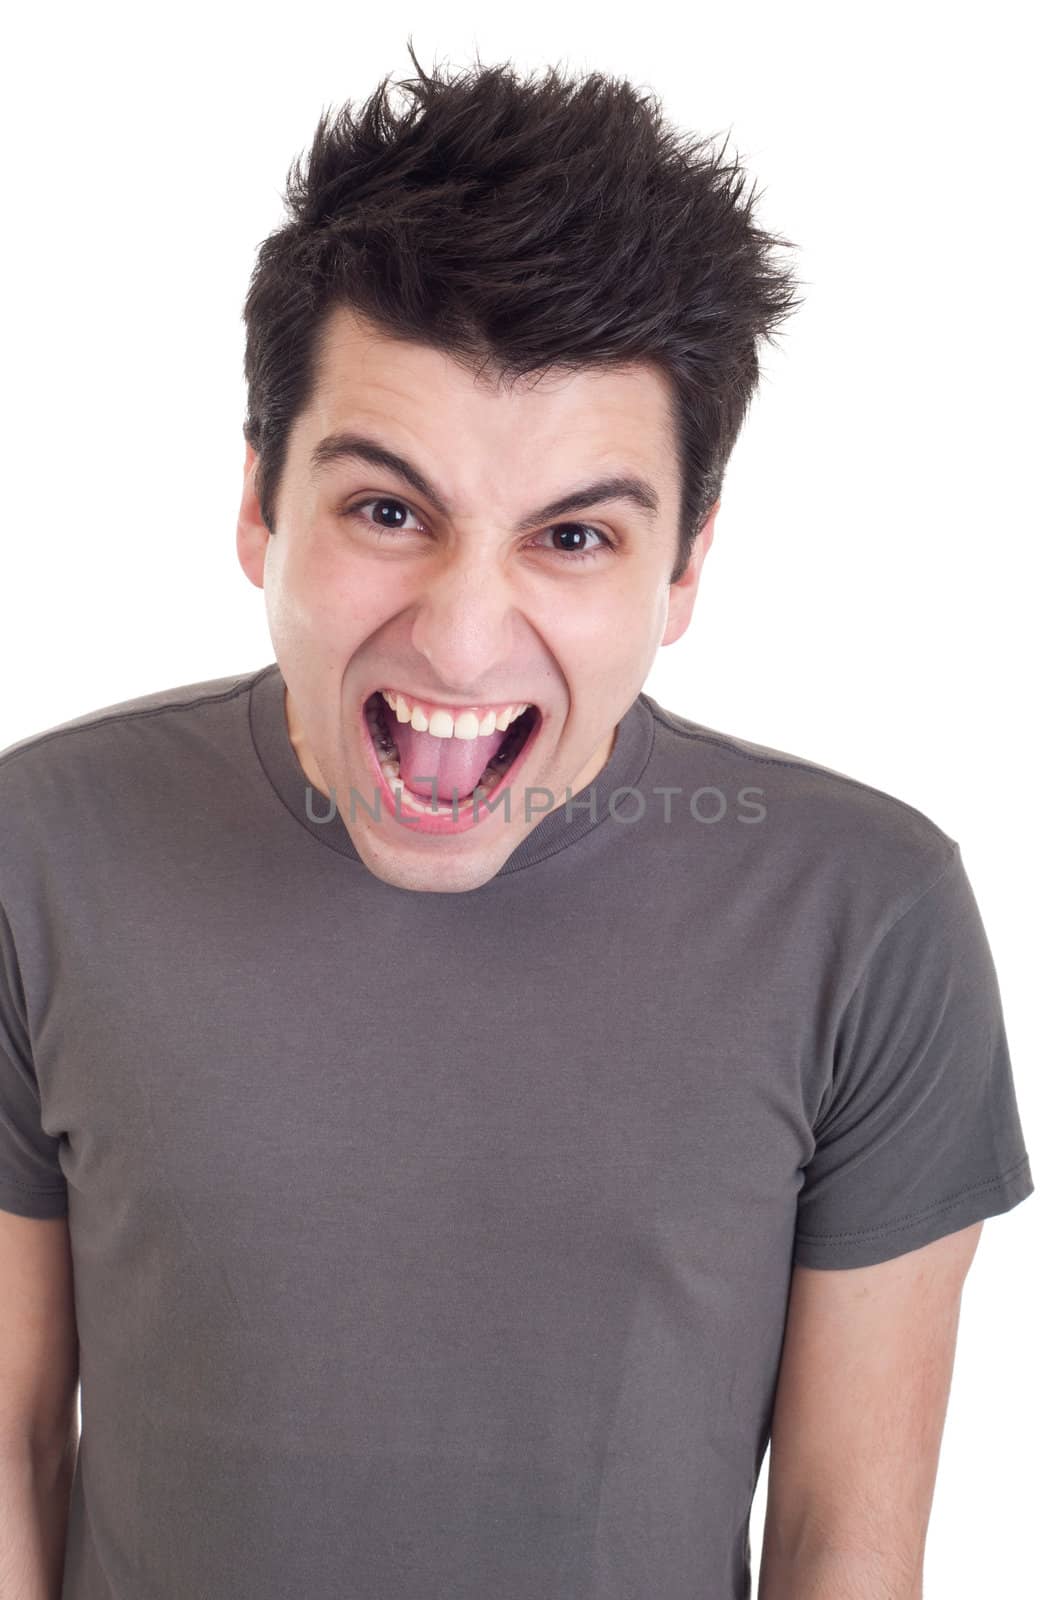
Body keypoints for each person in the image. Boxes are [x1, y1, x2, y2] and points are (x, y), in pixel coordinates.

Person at [0, 42, 1034, 1600]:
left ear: (683, 573)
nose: (466, 637)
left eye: (572, 535)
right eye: (388, 510)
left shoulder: (870, 919)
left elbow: (845, 1547)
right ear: (258, 509)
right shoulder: (37, 855)